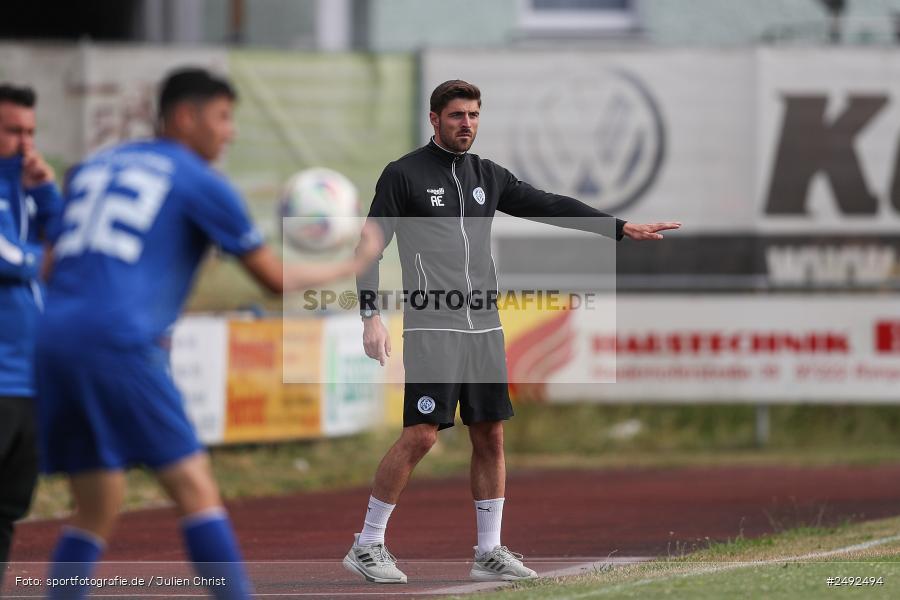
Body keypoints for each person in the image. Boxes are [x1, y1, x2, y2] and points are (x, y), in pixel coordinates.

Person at [36, 67, 381, 600]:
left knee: (97, 502)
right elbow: (271, 279)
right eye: (222, 117)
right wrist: (352, 262)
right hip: (118, 343)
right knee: (195, 488)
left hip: (52, 338)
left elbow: (51, 266)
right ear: (184, 116)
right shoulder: (201, 182)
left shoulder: (93, 167)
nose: (231, 132)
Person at [345, 79, 680, 584]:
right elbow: (369, 245)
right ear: (434, 119)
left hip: (485, 325)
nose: (467, 124)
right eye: (457, 115)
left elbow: (549, 205)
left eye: (474, 115)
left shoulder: (488, 175)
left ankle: (489, 550)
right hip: (435, 322)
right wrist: (369, 314)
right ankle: (367, 544)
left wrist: (618, 225)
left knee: (491, 435)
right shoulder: (403, 175)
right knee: (420, 435)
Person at [0, 83, 62, 587]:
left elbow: (67, 247)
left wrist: (45, 191)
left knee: (8, 509)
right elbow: (17, 259)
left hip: (29, 381)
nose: (24, 143)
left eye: (30, 132)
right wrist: (39, 258)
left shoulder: (25, 188)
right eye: (12, 130)